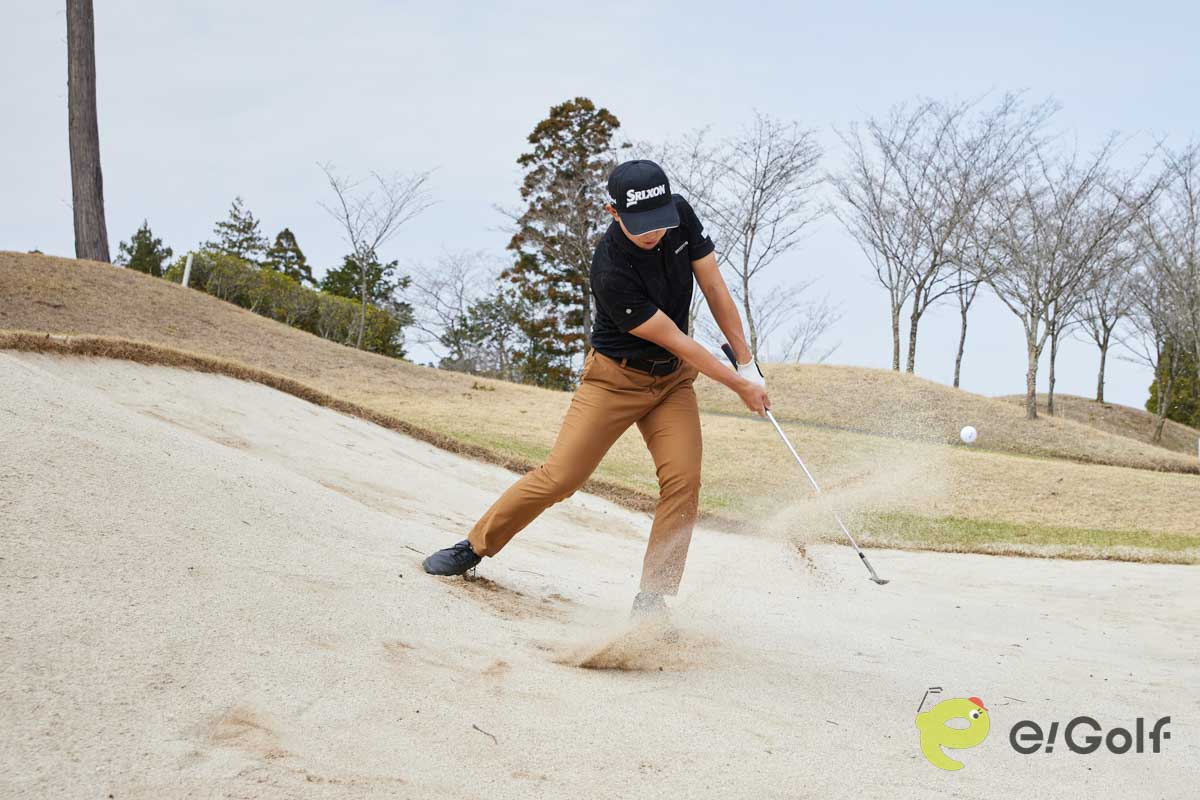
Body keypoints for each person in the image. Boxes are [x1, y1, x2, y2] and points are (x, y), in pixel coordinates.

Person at [423, 159, 770, 626]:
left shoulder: (680, 216)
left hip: (672, 384)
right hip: (615, 380)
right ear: (613, 212)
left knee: (683, 483)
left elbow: (713, 286)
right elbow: (676, 337)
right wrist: (737, 385)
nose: (654, 233)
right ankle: (475, 546)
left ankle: (653, 600)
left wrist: (747, 363)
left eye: (661, 221)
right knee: (561, 477)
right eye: (641, 225)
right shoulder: (610, 268)